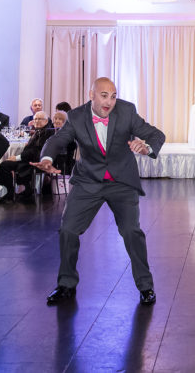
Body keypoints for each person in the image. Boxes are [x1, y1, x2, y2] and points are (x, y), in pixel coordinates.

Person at [35, 77, 164, 306]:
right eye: (104, 95)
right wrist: (46, 157)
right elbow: (58, 140)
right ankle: (66, 284)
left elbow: (156, 135)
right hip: (88, 181)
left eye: (113, 96)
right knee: (68, 230)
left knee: (131, 232)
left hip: (121, 181)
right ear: (91, 95)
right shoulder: (76, 116)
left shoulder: (126, 111)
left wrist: (147, 147)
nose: (110, 101)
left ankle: (146, 287)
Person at [0, 111, 52, 203]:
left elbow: (35, 151)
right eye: (35, 119)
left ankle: (14, 193)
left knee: (5, 165)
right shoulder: (38, 131)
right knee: (5, 165)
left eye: (40, 119)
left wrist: (17, 158)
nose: (37, 121)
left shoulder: (47, 132)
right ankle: (20, 190)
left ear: (46, 121)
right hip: (29, 159)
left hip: (37, 161)